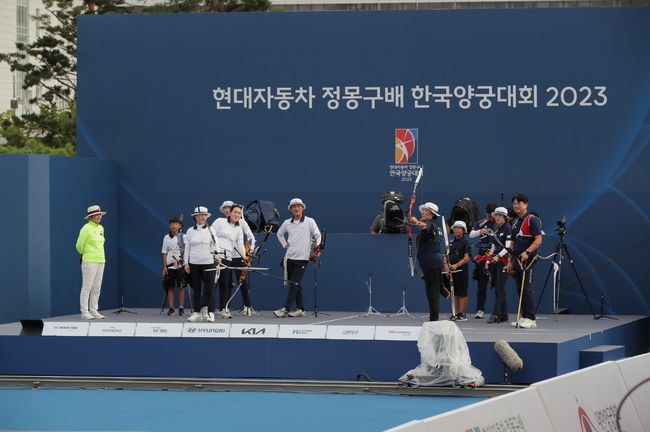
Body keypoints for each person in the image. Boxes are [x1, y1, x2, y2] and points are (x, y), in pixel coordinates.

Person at [274, 198, 321, 318]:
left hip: (303, 259)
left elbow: (317, 235)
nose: (296, 208)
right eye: (294, 206)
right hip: (289, 258)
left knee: (294, 284)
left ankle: (285, 309)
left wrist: (317, 248)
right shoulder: (287, 222)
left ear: (302, 208)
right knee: (296, 284)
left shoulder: (310, 221)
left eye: (299, 206)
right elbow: (279, 234)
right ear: (290, 209)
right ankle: (301, 309)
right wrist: (285, 244)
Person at [506, 194, 543, 329]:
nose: (516, 206)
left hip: (529, 260)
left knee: (526, 289)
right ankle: (524, 317)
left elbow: (538, 240)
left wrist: (527, 252)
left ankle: (531, 319)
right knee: (519, 289)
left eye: (519, 203)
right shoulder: (515, 222)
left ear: (525, 205)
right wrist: (510, 261)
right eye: (514, 203)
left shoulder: (532, 220)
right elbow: (513, 243)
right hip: (517, 260)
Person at [218, 201, 256, 316]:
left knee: (242, 281)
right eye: (225, 208)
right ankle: (225, 308)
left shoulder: (241, 222)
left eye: (229, 208)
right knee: (226, 283)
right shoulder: (221, 222)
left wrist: (248, 253)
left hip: (239, 256)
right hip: (225, 257)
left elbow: (251, 237)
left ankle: (247, 306)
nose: (227, 210)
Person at [410, 202, 446, 321]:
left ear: (431, 214)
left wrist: (415, 221)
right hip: (431, 264)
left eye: (425, 211)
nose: (422, 212)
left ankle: (434, 321)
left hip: (432, 264)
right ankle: (441, 287)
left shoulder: (429, 224)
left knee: (432, 294)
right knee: (432, 291)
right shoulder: (434, 225)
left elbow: (423, 226)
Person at [184, 206, 220, 322]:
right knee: (197, 289)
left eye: (205, 215)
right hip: (194, 263)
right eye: (200, 215)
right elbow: (187, 248)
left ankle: (210, 312)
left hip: (209, 262)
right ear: (195, 217)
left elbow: (216, 245)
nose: (202, 217)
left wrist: (217, 257)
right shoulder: (190, 231)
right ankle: (197, 312)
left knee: (210, 288)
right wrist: (186, 263)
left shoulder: (211, 229)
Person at [211, 203, 245, 319]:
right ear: (229, 213)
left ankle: (223, 309)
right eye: (235, 212)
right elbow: (212, 233)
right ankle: (207, 309)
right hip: (215, 257)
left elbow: (240, 245)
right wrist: (216, 252)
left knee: (225, 285)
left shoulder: (238, 229)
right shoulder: (219, 221)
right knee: (212, 284)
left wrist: (245, 258)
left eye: (239, 213)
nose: (237, 214)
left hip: (228, 258)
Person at [76, 205, 108, 320]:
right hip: (89, 261)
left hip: (101, 260)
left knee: (97, 287)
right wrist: (87, 254)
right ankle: (84, 311)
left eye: (100, 214)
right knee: (87, 287)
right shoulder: (86, 228)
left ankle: (94, 310)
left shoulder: (101, 228)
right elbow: (79, 246)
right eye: (97, 215)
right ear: (91, 217)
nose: (99, 216)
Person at [469, 203, 497, 319]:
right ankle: (480, 309)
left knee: (498, 285)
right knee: (481, 286)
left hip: (496, 257)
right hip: (482, 258)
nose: (491, 218)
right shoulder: (481, 223)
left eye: (493, 215)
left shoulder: (499, 223)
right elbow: (471, 235)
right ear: (486, 213)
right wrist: (480, 232)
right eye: (489, 215)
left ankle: (498, 311)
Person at [485, 206, 512, 324]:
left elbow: (508, 247)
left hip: (504, 263)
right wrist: (487, 259)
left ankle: (496, 315)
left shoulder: (507, 229)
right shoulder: (497, 230)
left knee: (500, 289)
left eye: (499, 215)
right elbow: (493, 246)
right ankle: (504, 315)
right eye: (496, 215)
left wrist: (497, 256)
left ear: (505, 217)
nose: (497, 217)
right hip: (495, 262)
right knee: (498, 289)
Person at [444, 221, 471, 321]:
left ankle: (462, 314)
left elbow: (467, 257)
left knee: (462, 293)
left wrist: (456, 265)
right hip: (451, 272)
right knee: (454, 293)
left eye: (459, 228)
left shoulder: (466, 242)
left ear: (463, 230)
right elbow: (445, 257)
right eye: (455, 228)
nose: (456, 230)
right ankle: (455, 313)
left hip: (461, 271)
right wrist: (447, 269)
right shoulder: (450, 242)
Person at [161, 216, 186, 316]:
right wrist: (165, 267)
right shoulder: (166, 237)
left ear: (180, 226)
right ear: (169, 225)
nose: (173, 225)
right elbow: (164, 252)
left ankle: (181, 307)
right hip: (170, 266)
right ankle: (171, 307)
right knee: (170, 287)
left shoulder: (183, 237)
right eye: (172, 224)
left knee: (181, 287)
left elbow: (186, 251)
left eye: (176, 224)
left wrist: (181, 262)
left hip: (180, 266)